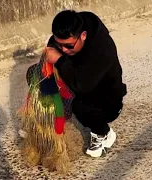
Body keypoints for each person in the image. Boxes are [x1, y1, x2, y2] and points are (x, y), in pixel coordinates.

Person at [45, 10, 127, 158]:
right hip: (80, 83)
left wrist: (60, 59)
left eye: (69, 46)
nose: (64, 49)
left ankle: (103, 133)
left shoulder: (102, 49)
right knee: (41, 77)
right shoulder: (72, 28)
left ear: (83, 35)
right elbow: (56, 44)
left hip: (106, 98)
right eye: (60, 44)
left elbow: (82, 85)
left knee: (79, 105)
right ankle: (43, 121)